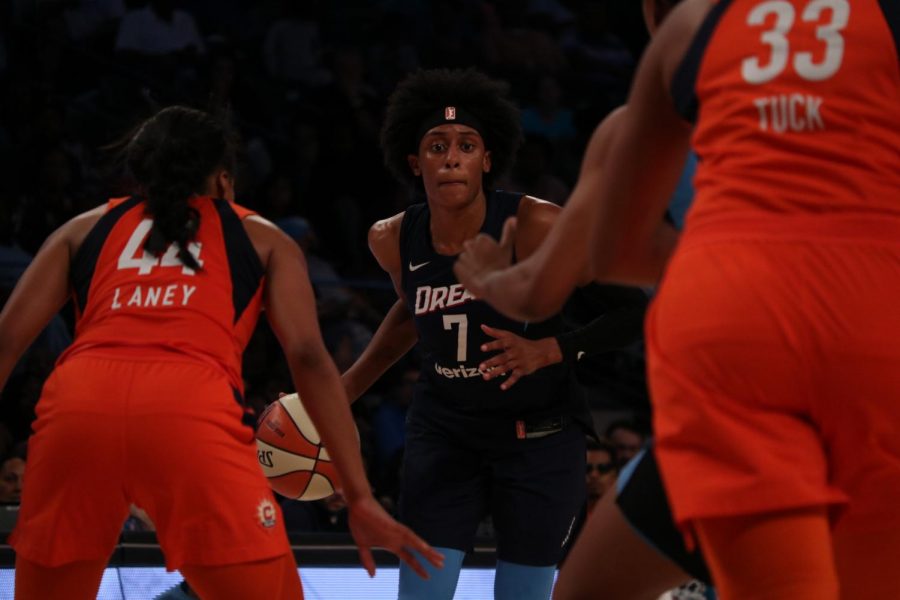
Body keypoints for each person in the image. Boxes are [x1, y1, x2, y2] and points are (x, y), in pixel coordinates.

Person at [464, 0, 900, 598]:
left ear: (651, 11)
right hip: (875, 323)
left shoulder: (692, 29)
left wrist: (486, 277)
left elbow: (574, 274)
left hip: (731, 325)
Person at [0, 105, 442, 600]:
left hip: (76, 408)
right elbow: (310, 358)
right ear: (224, 181)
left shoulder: (81, 229)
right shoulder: (261, 236)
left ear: (140, 175)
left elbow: (5, 343)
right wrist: (359, 496)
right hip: (187, 408)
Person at [341, 67, 646, 600]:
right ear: (416, 163)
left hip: (539, 439)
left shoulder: (536, 226)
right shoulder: (391, 238)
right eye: (437, 146)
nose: (452, 157)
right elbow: (411, 313)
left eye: (466, 145)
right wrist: (338, 394)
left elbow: (630, 313)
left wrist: (551, 348)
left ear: (487, 160)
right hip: (445, 435)